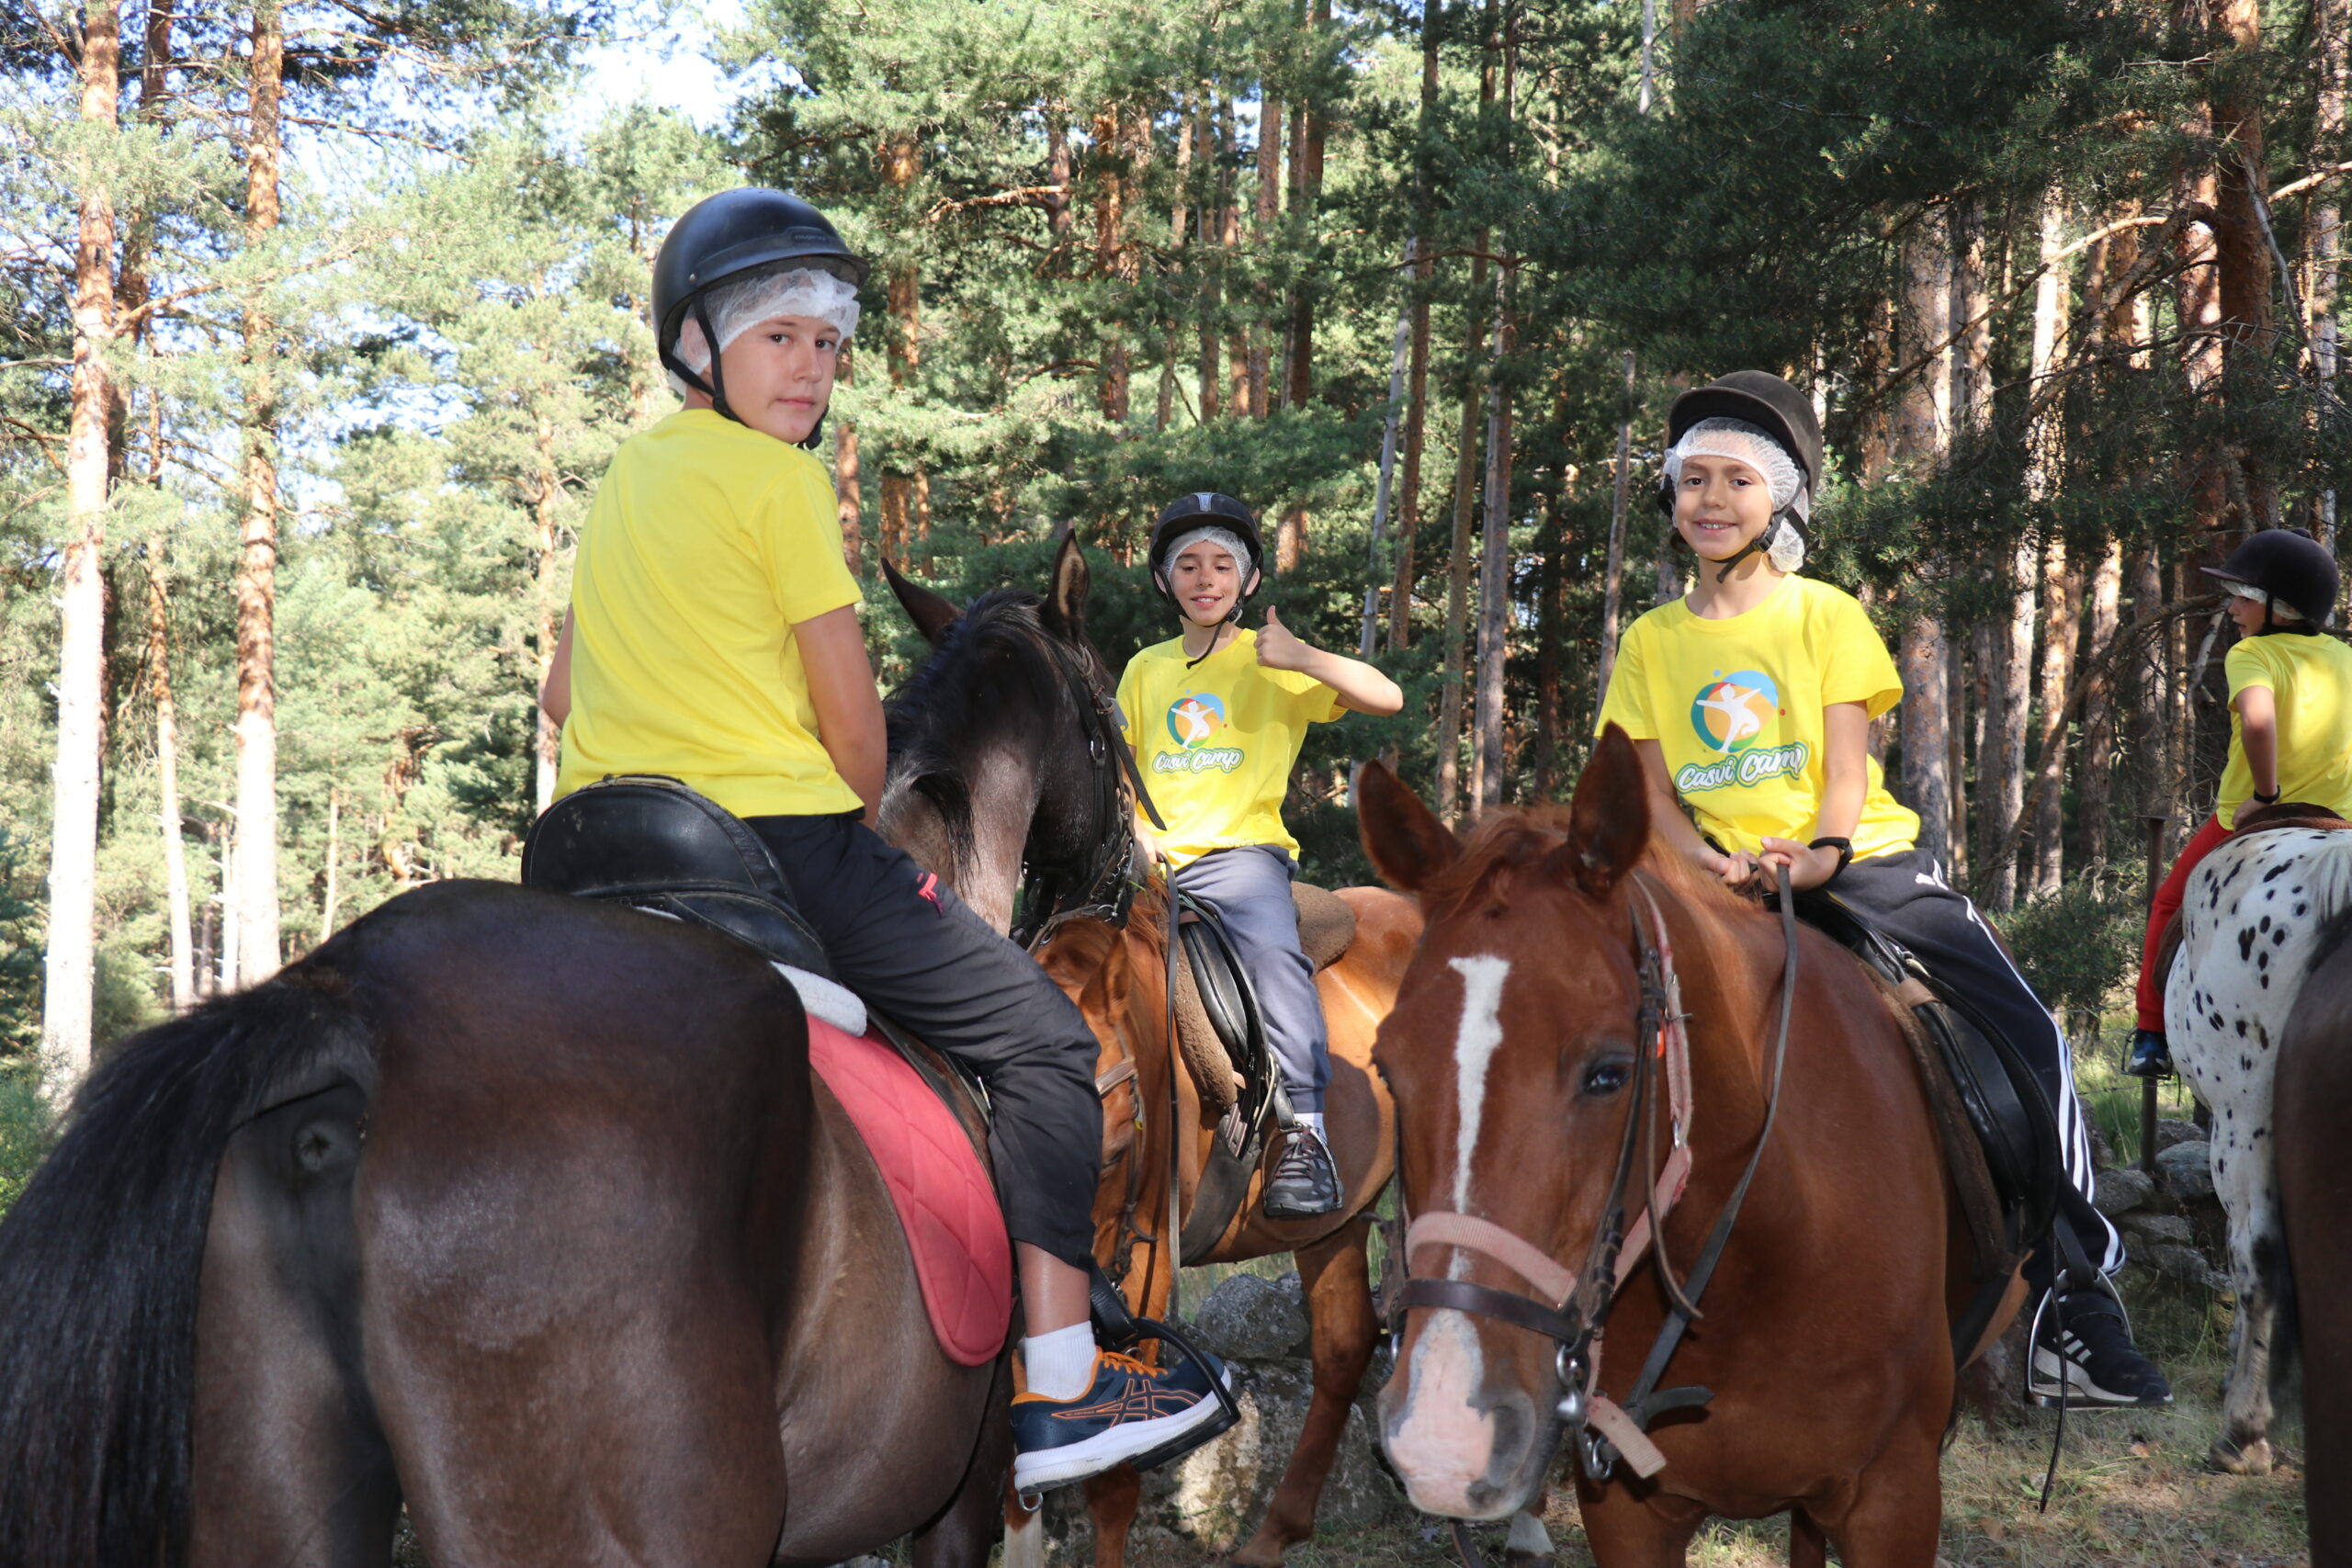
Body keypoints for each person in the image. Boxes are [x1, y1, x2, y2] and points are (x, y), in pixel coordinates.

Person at [538, 187, 1229, 1494]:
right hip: (771, 849)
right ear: (700, 345)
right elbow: (861, 748)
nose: (812, 368)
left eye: (830, 344)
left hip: (594, 853)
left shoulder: (625, 478)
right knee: (1035, 1039)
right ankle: (1066, 1381)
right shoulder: (781, 483)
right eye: (780, 338)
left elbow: (561, 698)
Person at [1593, 371, 2171, 1408]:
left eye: (1735, 480)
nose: (1710, 500)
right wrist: (1697, 864)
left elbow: (1847, 767)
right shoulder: (1648, 641)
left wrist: (1813, 853)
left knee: (2028, 1030)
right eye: (1691, 481)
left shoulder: (1822, 615)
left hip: (1852, 864)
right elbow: (1648, 784)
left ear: (1782, 502)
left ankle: (2066, 1293)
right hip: (1713, 879)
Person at [1116, 493, 1403, 1219]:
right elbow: (1124, 770)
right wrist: (1132, 828)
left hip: (1238, 859)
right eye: (1187, 563)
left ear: (1248, 582)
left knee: (1274, 957)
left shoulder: (1271, 659)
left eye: (1222, 564)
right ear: (1163, 580)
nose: (1204, 577)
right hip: (1149, 871)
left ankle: (1305, 1131)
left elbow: (1388, 697)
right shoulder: (1143, 669)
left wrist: (1305, 655)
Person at [2127, 528, 2352, 1078]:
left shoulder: (2252, 653)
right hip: (2343, 823)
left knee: (2166, 904)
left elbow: (2257, 721)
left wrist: (2266, 795)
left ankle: (2151, 1035)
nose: (2231, 608)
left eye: (2242, 597)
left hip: (2248, 821)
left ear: (2281, 607)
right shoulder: (2345, 657)